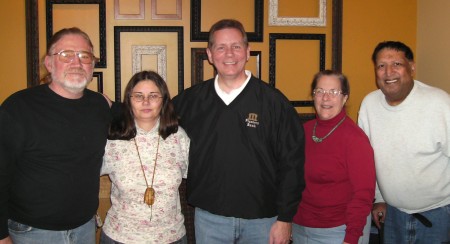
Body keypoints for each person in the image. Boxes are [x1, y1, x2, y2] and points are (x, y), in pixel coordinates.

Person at [172, 19, 306, 244]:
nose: (229, 54)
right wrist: (109, 108)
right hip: (209, 219)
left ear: (247, 51)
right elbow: (149, 115)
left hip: (263, 222)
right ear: (210, 54)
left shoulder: (275, 103)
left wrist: (285, 219)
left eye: (236, 46)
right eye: (221, 47)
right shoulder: (191, 100)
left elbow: (292, 165)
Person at [0, 27, 115, 244]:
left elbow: (135, 115)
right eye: (66, 55)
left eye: (85, 56)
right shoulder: (18, 107)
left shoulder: (99, 105)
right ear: (49, 63)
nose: (77, 62)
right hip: (32, 232)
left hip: (85, 229)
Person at [358, 41, 450, 243]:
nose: (388, 72)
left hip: (440, 215)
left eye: (396, 64)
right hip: (393, 216)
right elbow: (368, 160)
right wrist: (380, 199)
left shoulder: (439, 103)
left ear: (412, 67)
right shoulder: (369, 105)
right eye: (381, 66)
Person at [100, 70, 190, 244]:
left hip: (171, 237)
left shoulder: (178, 137)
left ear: (163, 100)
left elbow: (198, 175)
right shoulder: (113, 138)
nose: (146, 102)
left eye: (154, 96)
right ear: (129, 101)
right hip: (120, 237)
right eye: (138, 96)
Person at [292, 70, 376, 244]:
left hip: (338, 231)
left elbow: (363, 195)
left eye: (334, 92)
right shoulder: (304, 131)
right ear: (313, 96)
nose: (325, 98)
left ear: (345, 98)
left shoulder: (355, 139)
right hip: (300, 227)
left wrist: (351, 238)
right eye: (320, 91)